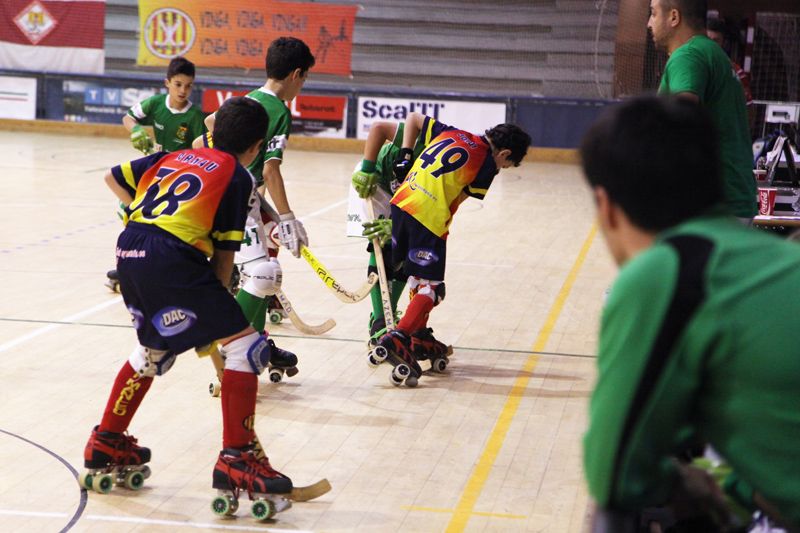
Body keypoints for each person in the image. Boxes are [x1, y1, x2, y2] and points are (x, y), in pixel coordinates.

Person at [581, 96, 800, 531]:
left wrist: (677, 480)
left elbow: (615, 474)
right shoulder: (781, 258)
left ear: (606, 207)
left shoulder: (665, 272)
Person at [81, 97, 298, 513]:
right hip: (172, 257)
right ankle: (237, 458)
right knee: (245, 348)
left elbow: (115, 177)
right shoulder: (237, 177)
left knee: (153, 351)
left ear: (213, 131)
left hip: (129, 251)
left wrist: (136, 213)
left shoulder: (176, 155)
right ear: (256, 148)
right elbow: (224, 258)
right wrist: (219, 321)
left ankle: (105, 442)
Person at [371, 112, 530, 384]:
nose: (502, 168)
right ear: (503, 153)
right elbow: (456, 200)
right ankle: (399, 337)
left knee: (416, 278)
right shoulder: (487, 165)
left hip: (401, 203)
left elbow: (412, 119)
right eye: (507, 163)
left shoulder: (453, 133)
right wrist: (440, 228)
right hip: (427, 216)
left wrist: (406, 154)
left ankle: (417, 333)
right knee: (431, 288)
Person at [197, 37, 315, 332]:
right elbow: (271, 169)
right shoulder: (279, 111)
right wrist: (287, 217)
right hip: (238, 198)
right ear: (295, 75)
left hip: (230, 191)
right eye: (304, 79)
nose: (302, 86)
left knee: (261, 271)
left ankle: (257, 338)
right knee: (263, 273)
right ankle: (235, 341)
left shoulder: (249, 98)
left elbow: (212, 122)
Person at [648, 0, 757, 222]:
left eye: (653, 13)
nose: (649, 23)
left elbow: (681, 123)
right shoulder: (713, 53)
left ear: (674, 17)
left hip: (710, 206)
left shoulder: (687, 56)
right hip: (734, 196)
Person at [106, 57, 207, 291]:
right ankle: (133, 261)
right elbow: (128, 117)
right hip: (157, 172)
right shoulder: (156, 104)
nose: (183, 90)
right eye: (178, 84)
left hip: (181, 177)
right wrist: (137, 130)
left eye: (188, 85)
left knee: (166, 221)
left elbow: (202, 151)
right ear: (167, 83)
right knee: (127, 210)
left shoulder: (195, 118)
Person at [350, 119, 434, 347]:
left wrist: (398, 227)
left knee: (405, 247)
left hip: (412, 198)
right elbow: (378, 128)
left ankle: (388, 313)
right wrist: (367, 169)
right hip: (377, 181)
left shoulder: (443, 180)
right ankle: (379, 322)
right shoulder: (419, 141)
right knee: (382, 244)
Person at [706, 17, 753, 107]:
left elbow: (748, 105)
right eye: (707, 39)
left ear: (724, 43)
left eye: (715, 40)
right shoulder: (691, 65)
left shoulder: (735, 71)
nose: (710, 44)